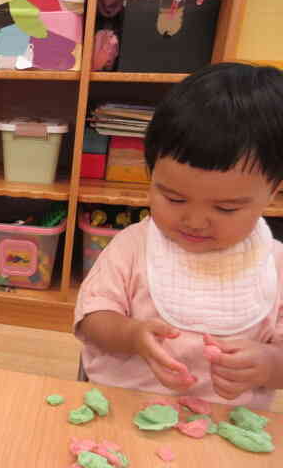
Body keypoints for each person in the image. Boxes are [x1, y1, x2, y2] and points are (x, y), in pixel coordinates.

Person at [74, 63, 283, 408]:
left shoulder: (274, 264)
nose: (195, 221)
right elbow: (92, 320)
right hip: (122, 407)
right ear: (151, 173)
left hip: (226, 425)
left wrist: (269, 365)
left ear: (273, 191)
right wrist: (132, 335)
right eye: (174, 198)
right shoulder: (132, 246)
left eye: (226, 208)